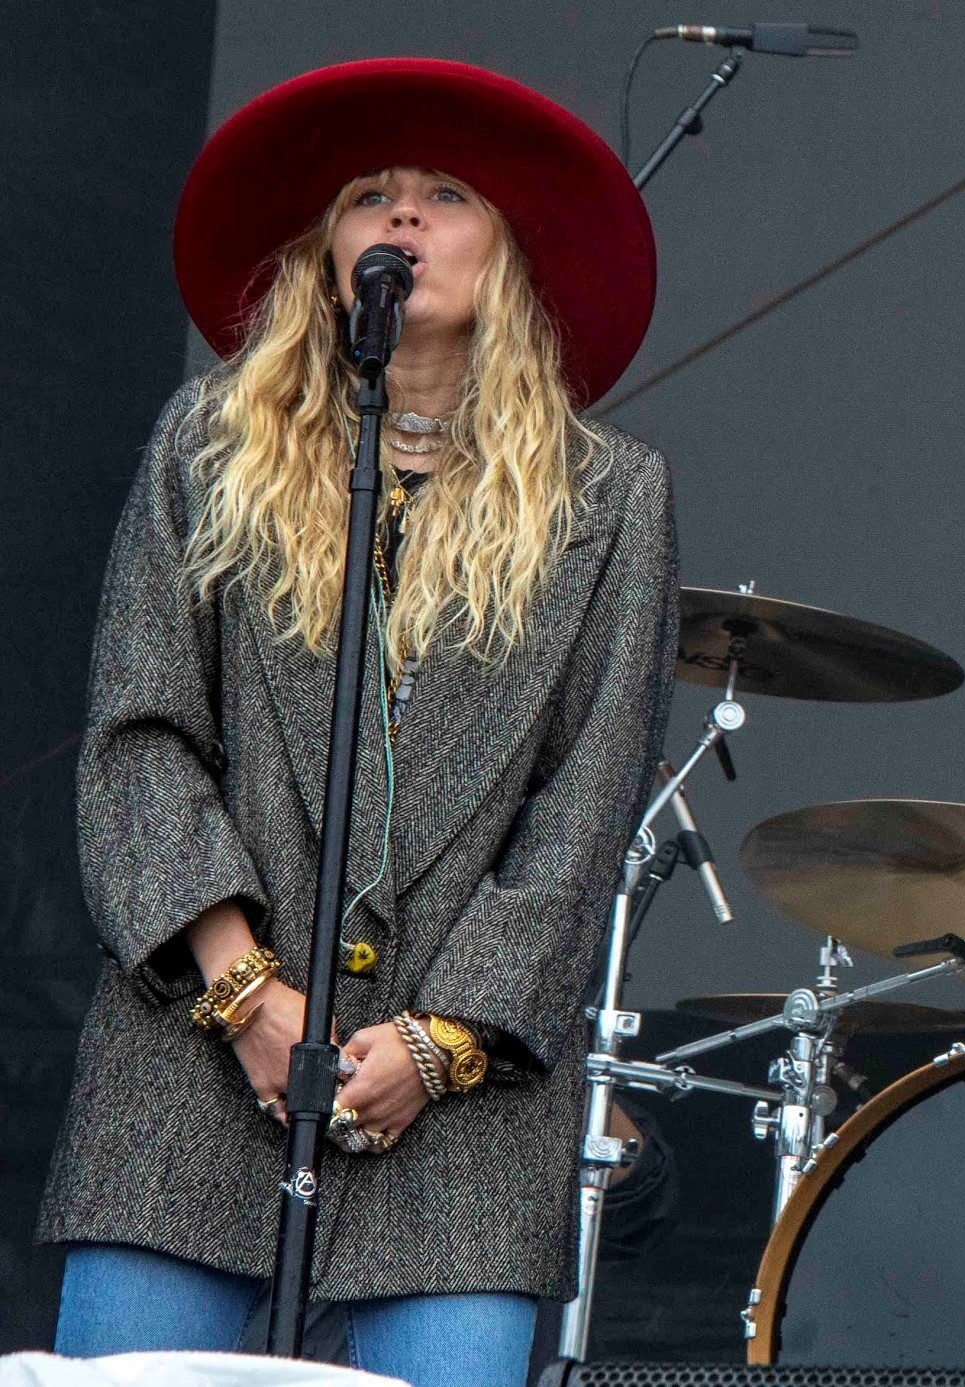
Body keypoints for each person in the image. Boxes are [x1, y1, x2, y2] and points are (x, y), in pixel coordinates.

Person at [37, 59, 673, 1387]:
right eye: (369, 197)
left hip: (463, 1105)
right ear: (326, 252)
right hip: (190, 1070)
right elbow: (139, 735)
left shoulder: (611, 499)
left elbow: (589, 797)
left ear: (508, 252)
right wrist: (245, 990)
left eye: (443, 195)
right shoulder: (207, 446)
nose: (400, 220)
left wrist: (437, 1046)